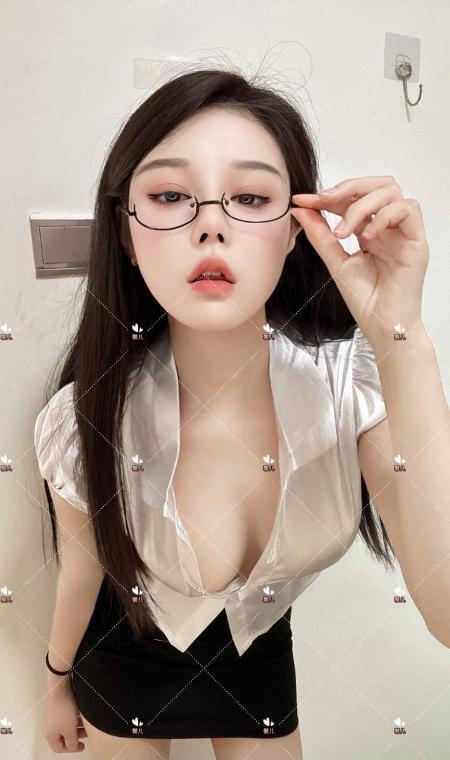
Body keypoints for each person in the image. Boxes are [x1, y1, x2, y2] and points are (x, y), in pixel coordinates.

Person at [34, 67, 445, 760]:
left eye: (251, 197)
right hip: (125, 656)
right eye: (170, 196)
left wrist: (402, 333)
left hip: (257, 654)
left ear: (294, 231)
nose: (212, 226)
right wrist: (54, 684)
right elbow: (82, 573)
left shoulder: (350, 387)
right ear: (127, 235)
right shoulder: (81, 418)